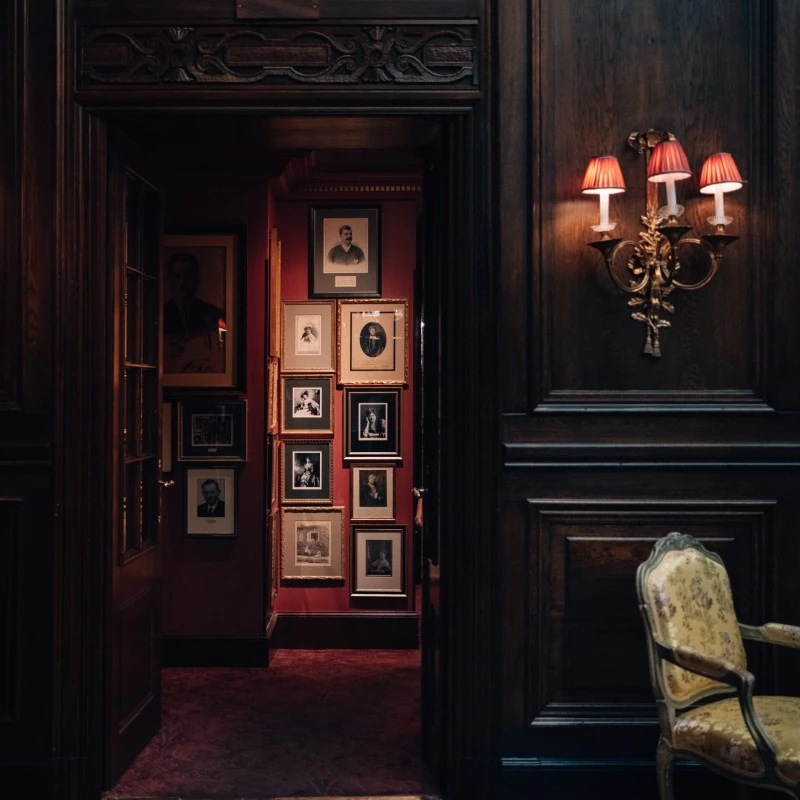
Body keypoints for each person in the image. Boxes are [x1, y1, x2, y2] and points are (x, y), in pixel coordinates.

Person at [163, 251, 225, 374]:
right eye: (177, 277)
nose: (182, 284)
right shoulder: (159, 315)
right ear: (169, 280)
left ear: (197, 279)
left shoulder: (214, 315)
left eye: (188, 277)